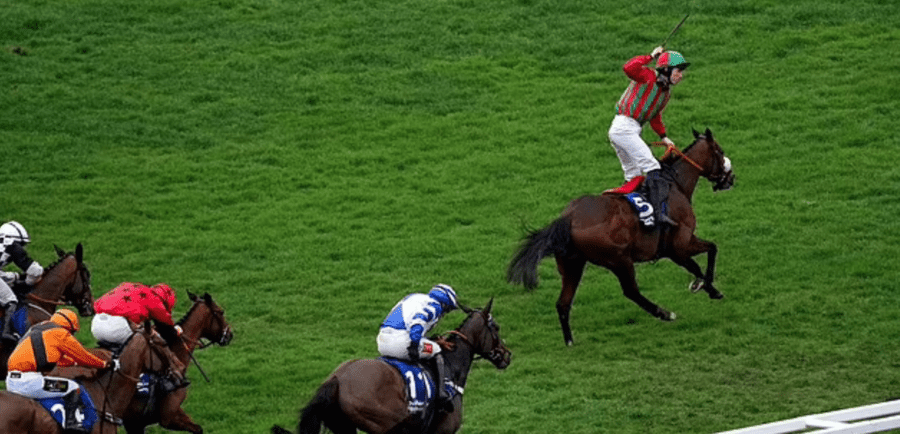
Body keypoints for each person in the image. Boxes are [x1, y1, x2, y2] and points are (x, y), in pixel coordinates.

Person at [608, 47, 690, 227]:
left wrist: (664, 137)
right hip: (625, 127)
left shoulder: (665, 93)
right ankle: (659, 214)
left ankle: (629, 215)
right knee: (653, 167)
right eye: (678, 71)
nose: (681, 75)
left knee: (633, 176)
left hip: (627, 130)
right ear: (666, 70)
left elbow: (654, 116)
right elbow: (629, 68)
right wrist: (651, 56)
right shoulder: (647, 76)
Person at [6, 309, 113, 433]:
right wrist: (103, 364)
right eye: (72, 332)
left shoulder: (39, 329)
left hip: (12, 381)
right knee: (73, 387)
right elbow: (83, 356)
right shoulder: (61, 334)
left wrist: (75, 363)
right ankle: (72, 424)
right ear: (68, 326)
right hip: (30, 382)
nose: (72, 335)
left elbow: (59, 359)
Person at [377, 284, 460, 413]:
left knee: (431, 345)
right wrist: (415, 344)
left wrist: (427, 339)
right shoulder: (435, 305)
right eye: (447, 310)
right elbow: (418, 321)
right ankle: (442, 393)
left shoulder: (414, 297)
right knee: (436, 349)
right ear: (444, 304)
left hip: (382, 341)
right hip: (400, 343)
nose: (445, 314)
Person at [91, 282, 188, 390]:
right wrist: (177, 331)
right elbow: (167, 331)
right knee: (149, 341)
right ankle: (146, 380)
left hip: (96, 324)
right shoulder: (155, 299)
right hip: (115, 327)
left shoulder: (131, 286)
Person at [0, 221, 44, 344]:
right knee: (10, 299)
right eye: (21, 244)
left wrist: (15, 276)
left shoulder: (3, 244)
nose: (21, 247)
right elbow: (35, 271)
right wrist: (27, 282)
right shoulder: (11, 245)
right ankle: (6, 333)